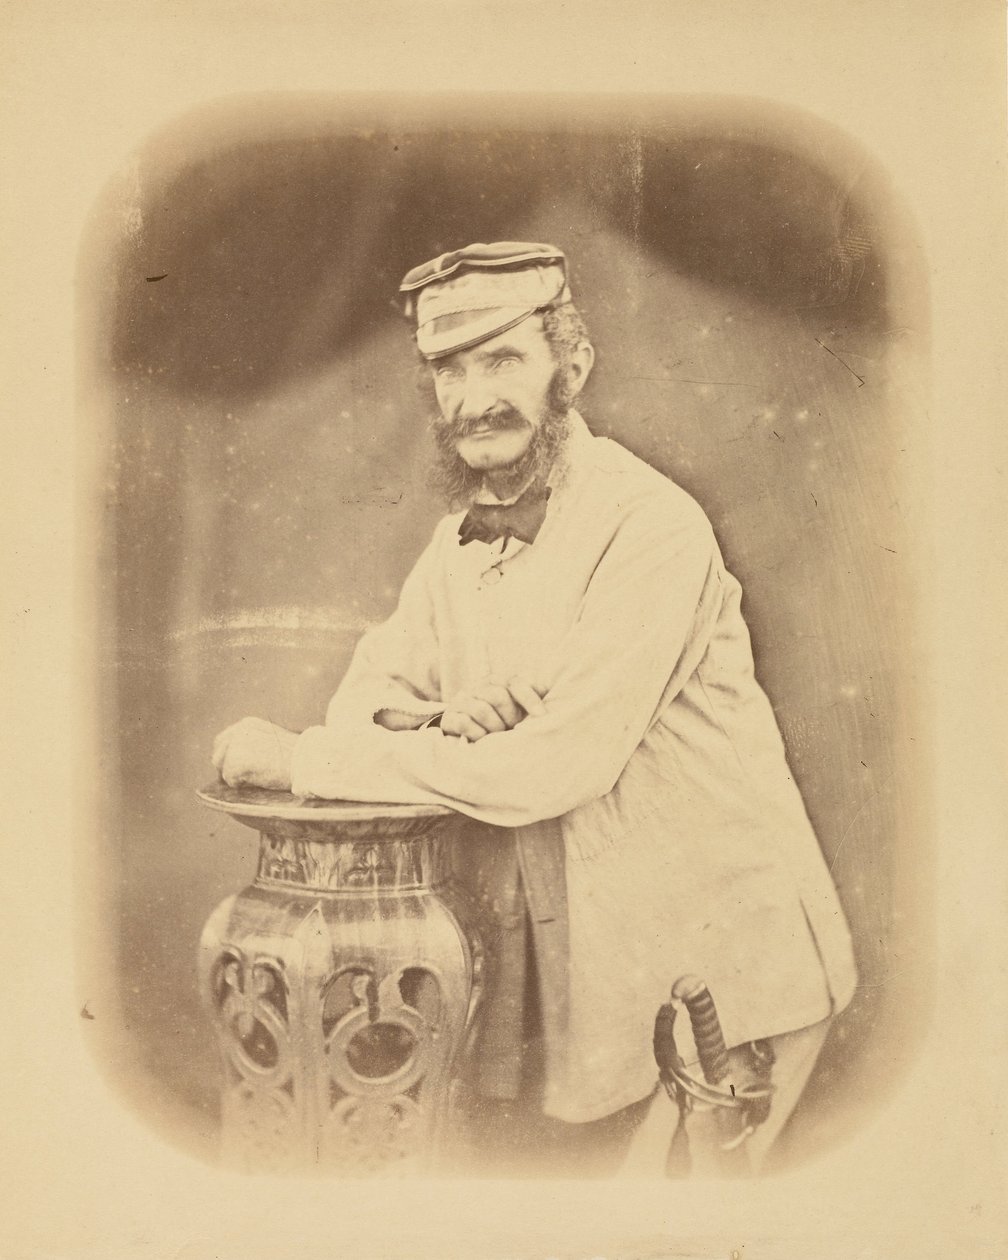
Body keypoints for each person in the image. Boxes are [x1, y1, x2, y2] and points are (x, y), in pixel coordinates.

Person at [212, 240, 858, 1175]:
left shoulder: (652, 527)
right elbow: (362, 702)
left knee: (681, 1226)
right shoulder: (455, 545)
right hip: (589, 982)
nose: (474, 398)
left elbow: (556, 768)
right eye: (451, 370)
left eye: (503, 359)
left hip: (726, 979)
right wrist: (444, 719)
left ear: (573, 366)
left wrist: (300, 761)